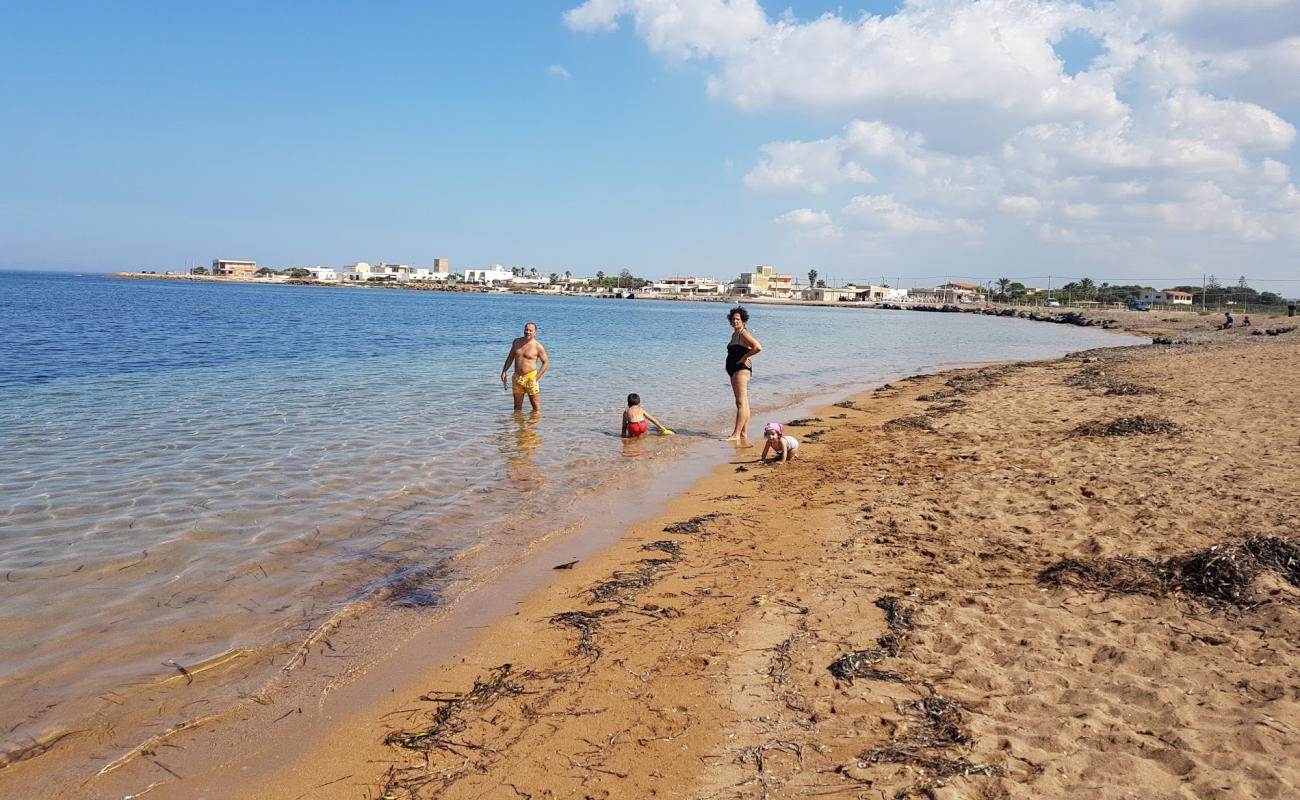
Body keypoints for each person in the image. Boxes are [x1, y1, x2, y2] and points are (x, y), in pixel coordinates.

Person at [725, 306, 762, 441]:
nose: (735, 321)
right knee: (743, 403)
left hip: (741, 370)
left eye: (738, 319)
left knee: (740, 403)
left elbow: (758, 347)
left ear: (743, 321)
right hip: (734, 369)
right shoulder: (735, 334)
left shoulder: (743, 333)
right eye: (733, 319)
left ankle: (735, 434)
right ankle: (743, 433)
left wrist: (744, 358)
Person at [501, 322, 549, 411]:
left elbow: (546, 363)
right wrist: (504, 371)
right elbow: (510, 357)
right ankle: (519, 424)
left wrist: (536, 378)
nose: (528, 332)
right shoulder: (516, 342)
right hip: (517, 377)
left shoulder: (538, 346)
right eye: (526, 329)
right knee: (517, 407)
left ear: (535, 333)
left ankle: (533, 424)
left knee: (535, 406)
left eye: (530, 330)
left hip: (531, 377)